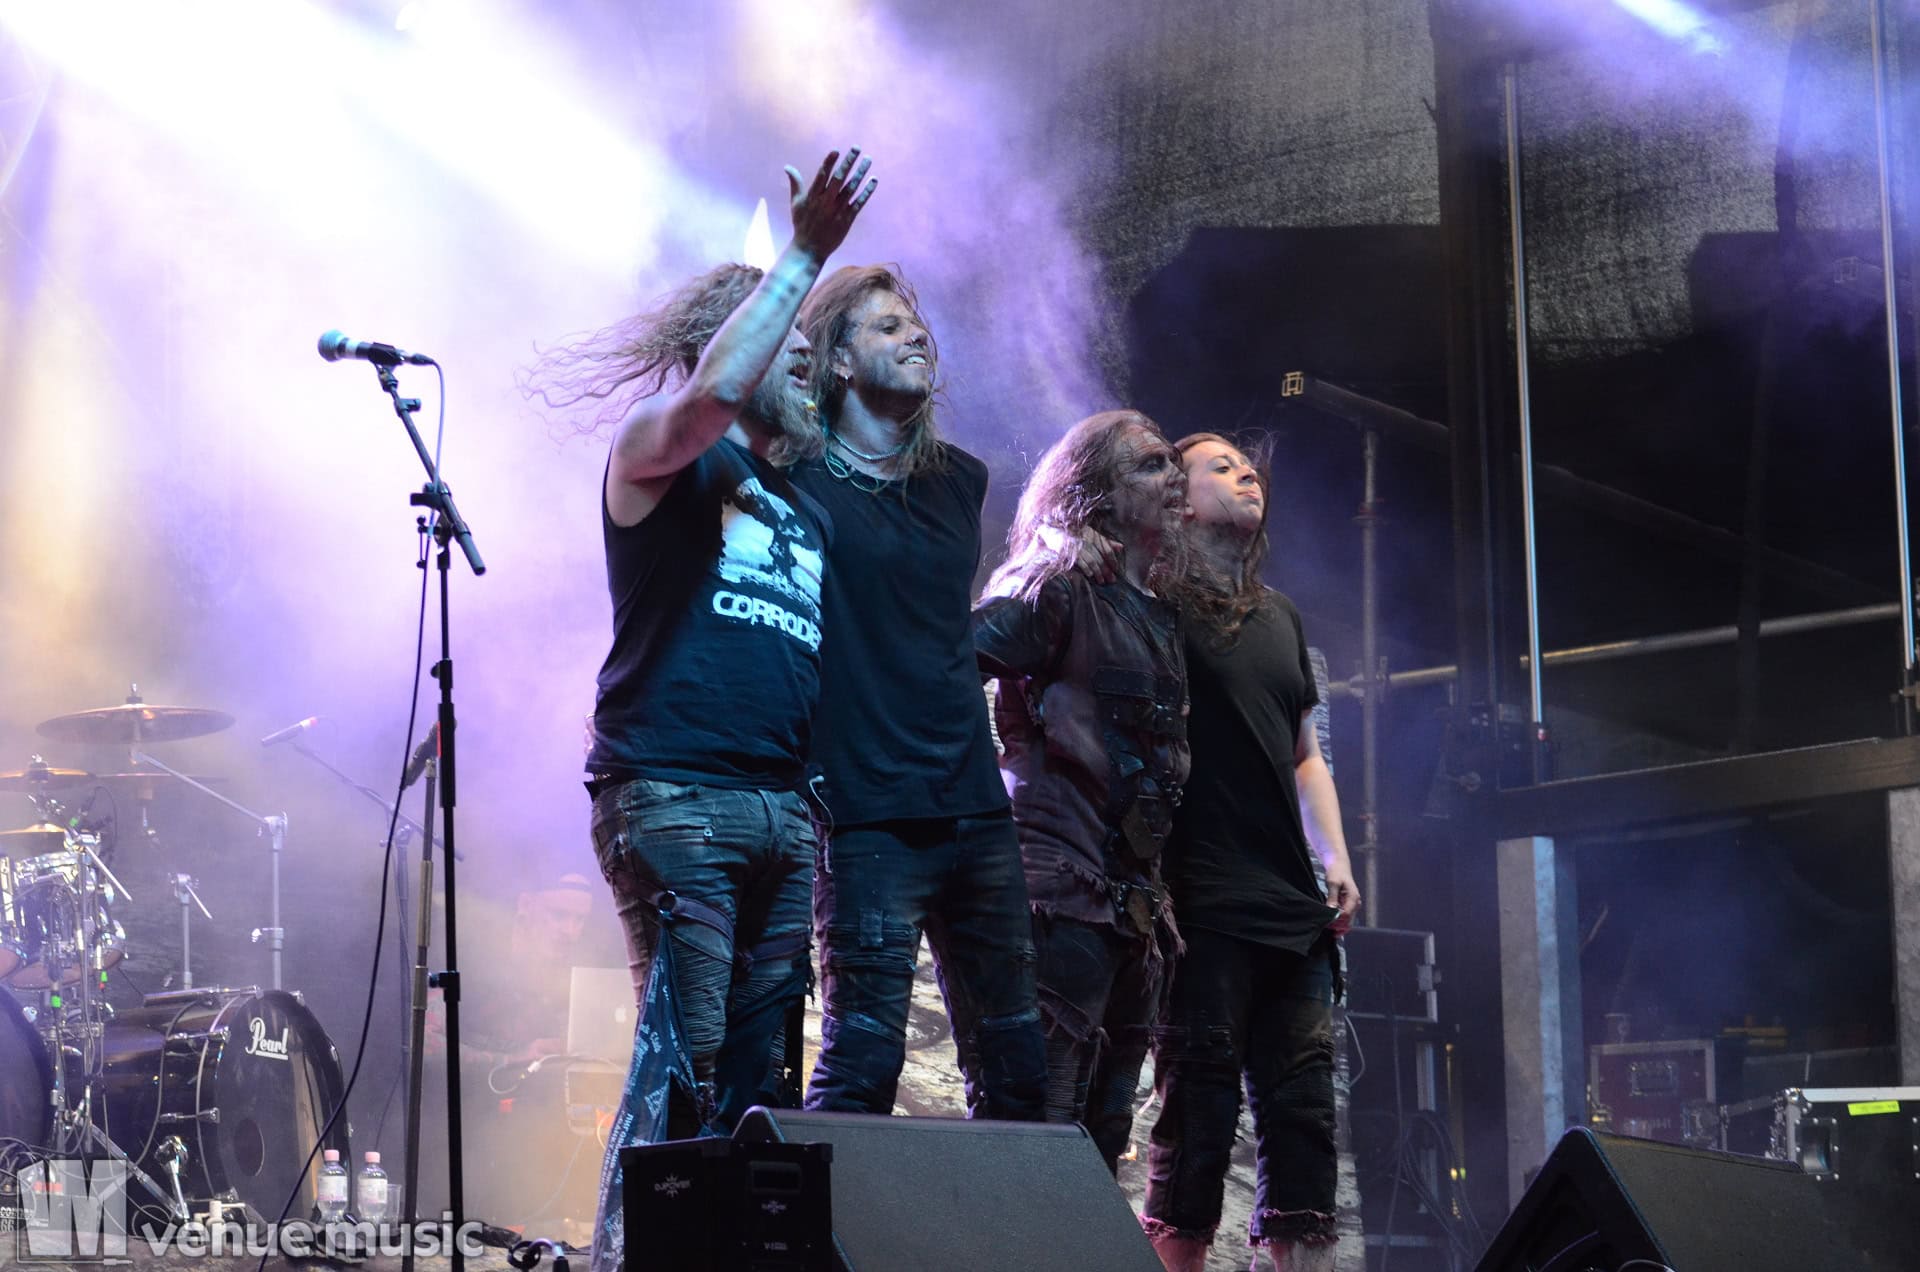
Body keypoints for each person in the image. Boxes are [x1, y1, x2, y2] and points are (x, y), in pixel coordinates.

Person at [526, 147, 875, 1272]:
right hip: (675, 796)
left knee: (759, 1089)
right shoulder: (657, 452)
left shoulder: (804, 512)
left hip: (779, 812)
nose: (806, 365)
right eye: (788, 346)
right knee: (685, 1061)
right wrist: (804, 256)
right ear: (729, 345)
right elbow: (713, 398)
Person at [789, 265, 1046, 1121]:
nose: (917, 335)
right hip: (866, 809)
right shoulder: (797, 478)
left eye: (916, 323)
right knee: (863, 1060)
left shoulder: (958, 481)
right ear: (836, 359)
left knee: (1017, 1071)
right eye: (888, 326)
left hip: (974, 806)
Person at [1137, 433, 1362, 1272]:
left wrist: (1335, 858)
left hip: (1290, 911)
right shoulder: (1155, 599)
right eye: (1220, 466)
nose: (1245, 473)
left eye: (1248, 463)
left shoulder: (1281, 615)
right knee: (1196, 1119)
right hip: (1201, 901)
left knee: (1303, 1123)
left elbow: (1306, 754)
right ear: (1180, 499)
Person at [971, 409, 1190, 1171]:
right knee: (1040, 1128)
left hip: (1132, 909)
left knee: (1102, 1140)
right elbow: (950, 659)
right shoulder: (1057, 585)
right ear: (1094, 494)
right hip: (1059, 898)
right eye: (1151, 465)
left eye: (1173, 460)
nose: (1176, 476)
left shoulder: (1158, 613)